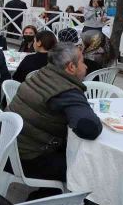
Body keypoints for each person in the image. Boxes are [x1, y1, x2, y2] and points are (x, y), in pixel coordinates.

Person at [8, 42, 102, 187]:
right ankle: (53, 201)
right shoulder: (66, 91)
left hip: (10, 148)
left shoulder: (42, 73)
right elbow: (88, 129)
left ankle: (50, 194)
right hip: (29, 159)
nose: (86, 67)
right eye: (82, 62)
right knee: (92, 168)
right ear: (71, 67)